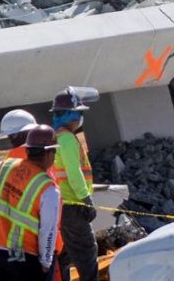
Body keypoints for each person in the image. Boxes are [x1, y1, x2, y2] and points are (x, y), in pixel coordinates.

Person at [0, 125, 61, 280]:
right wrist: (46, 261)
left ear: (28, 150)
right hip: (24, 257)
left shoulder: (7, 166)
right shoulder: (48, 189)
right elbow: (48, 231)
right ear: (49, 153)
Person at [51, 87, 100, 281]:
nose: (79, 118)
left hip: (62, 205)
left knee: (65, 254)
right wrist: (85, 199)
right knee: (86, 252)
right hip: (73, 205)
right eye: (78, 113)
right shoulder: (68, 139)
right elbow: (74, 172)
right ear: (69, 115)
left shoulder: (55, 139)